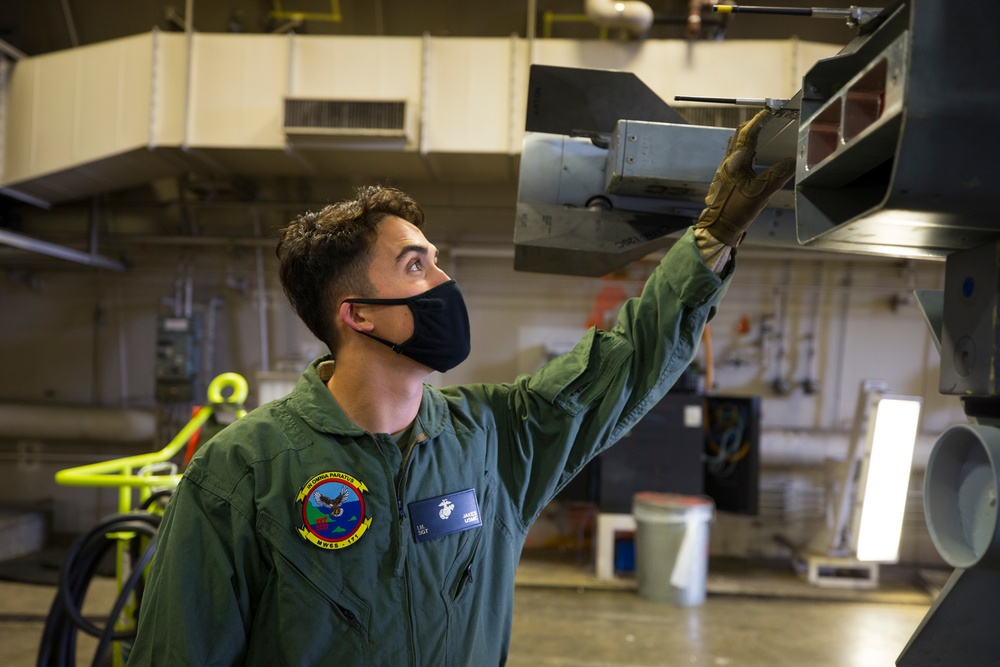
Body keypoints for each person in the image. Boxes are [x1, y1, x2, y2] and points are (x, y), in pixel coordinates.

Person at [127, 109, 793, 666]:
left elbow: (629, 359)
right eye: (415, 266)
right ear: (355, 313)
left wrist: (712, 237)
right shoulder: (243, 472)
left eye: (437, 262)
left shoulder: (496, 439)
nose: (445, 283)